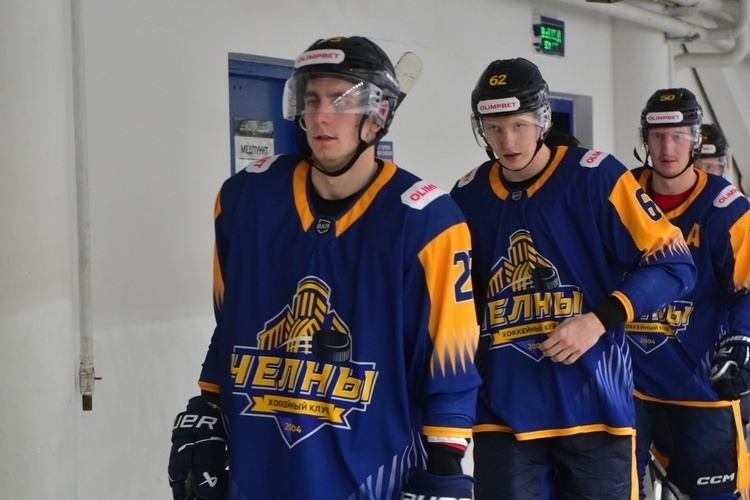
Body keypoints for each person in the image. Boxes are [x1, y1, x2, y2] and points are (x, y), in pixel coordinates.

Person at [168, 36, 481, 500]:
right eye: (312, 99)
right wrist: (208, 403)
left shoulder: (428, 222)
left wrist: (445, 463)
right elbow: (231, 323)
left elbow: (448, 360)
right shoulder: (244, 200)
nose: (320, 115)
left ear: (377, 115)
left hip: (372, 471)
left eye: (340, 100)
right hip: (259, 465)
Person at [449, 57, 697, 500]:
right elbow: (455, 302)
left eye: (519, 125)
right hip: (503, 414)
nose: (507, 140)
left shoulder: (596, 177)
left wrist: (599, 320)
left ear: (543, 119)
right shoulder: (467, 195)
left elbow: (675, 263)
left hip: (594, 407)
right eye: (494, 128)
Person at [625, 87, 750, 499]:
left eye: (678, 136)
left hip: (699, 383)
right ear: (645, 139)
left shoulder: (726, 207)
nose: (667, 148)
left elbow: (747, 287)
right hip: (626, 381)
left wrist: (742, 340)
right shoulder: (620, 192)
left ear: (696, 139)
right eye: (658, 136)